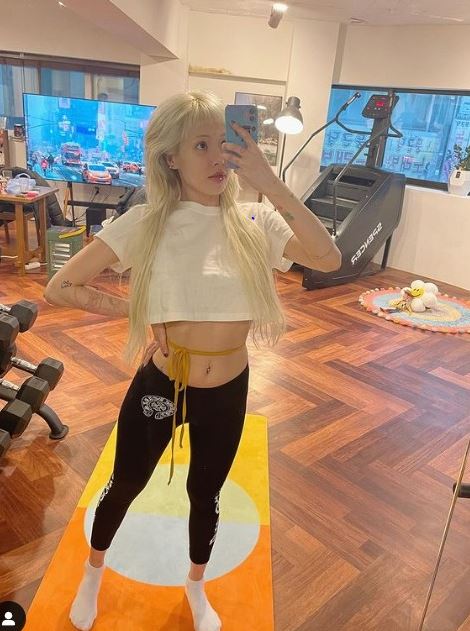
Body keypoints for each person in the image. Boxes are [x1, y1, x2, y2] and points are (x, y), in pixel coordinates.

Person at [43, 91, 341, 631]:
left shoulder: (255, 219)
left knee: (206, 494)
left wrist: (271, 182)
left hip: (228, 391)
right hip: (162, 383)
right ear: (171, 157)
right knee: (125, 482)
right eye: (200, 145)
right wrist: (138, 310)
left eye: (223, 144)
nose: (217, 157)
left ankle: (196, 585)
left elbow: (329, 257)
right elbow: (61, 287)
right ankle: (92, 572)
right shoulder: (146, 222)